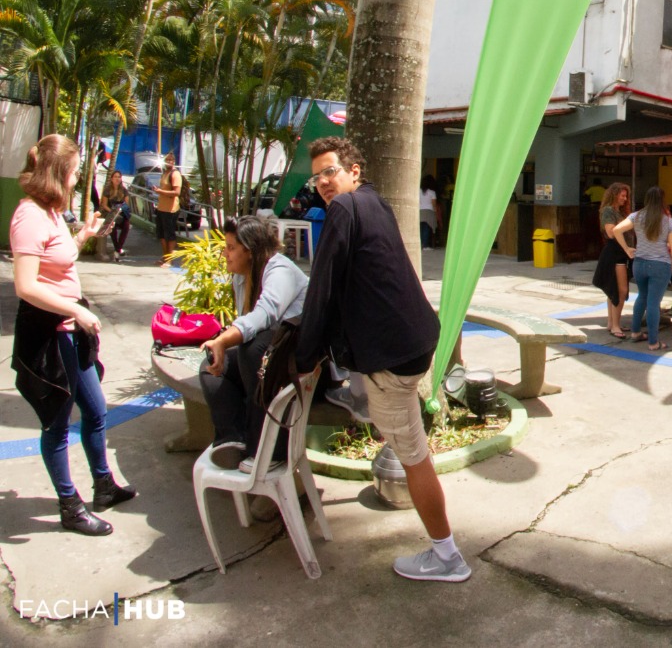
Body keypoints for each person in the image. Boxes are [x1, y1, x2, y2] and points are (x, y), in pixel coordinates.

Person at [293, 137, 466, 582]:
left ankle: (447, 557)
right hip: (415, 341)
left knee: (413, 456)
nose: (323, 183)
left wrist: (303, 356)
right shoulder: (373, 202)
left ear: (354, 170)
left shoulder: (345, 209)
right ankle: (360, 400)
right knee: (397, 433)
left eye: (330, 171)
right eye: (316, 177)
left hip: (392, 355)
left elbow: (322, 286)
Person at [10, 134, 136, 536]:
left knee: (96, 411)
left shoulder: (50, 213)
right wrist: (76, 309)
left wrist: (85, 235)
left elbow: (57, 261)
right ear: (60, 171)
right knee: (57, 425)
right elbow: (26, 286)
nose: (80, 176)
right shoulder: (28, 215)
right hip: (51, 333)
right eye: (77, 169)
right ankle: (70, 507)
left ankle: (103, 486)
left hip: (72, 330)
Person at [199, 216, 309, 480]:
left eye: (231, 247)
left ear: (250, 250)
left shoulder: (279, 269)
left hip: (302, 361)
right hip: (271, 360)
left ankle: (272, 453)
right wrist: (221, 345)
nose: (225, 253)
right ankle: (232, 439)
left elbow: (265, 315)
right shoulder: (242, 276)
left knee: (253, 350)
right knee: (212, 364)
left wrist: (225, 339)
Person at [613, 187, 672, 351]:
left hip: (639, 263)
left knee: (642, 297)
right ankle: (653, 342)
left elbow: (616, 230)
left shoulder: (636, 216)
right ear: (662, 200)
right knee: (653, 302)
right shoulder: (667, 220)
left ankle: (636, 333)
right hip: (660, 266)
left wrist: (627, 249)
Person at [593, 183, 633, 339]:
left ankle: (612, 323)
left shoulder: (618, 212)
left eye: (625, 196)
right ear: (614, 195)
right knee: (620, 291)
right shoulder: (609, 211)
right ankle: (616, 325)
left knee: (613, 290)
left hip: (618, 254)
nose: (624, 198)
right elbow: (611, 233)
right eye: (622, 195)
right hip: (615, 254)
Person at [154, 151, 185, 264]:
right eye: (167, 160)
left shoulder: (175, 174)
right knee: (161, 234)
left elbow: (177, 192)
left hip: (171, 209)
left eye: (170, 160)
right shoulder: (165, 173)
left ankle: (169, 260)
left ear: (174, 162)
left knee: (169, 234)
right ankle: (165, 256)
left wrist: (161, 191)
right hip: (161, 207)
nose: (168, 162)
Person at [100, 169, 132, 260]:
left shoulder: (124, 190)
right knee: (112, 228)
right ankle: (118, 249)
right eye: (115, 177)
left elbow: (127, 204)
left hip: (121, 213)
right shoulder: (107, 190)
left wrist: (120, 210)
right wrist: (112, 211)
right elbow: (104, 205)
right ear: (112, 179)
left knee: (126, 226)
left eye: (119, 177)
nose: (117, 179)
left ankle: (117, 249)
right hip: (110, 213)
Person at [419, 175, 440, 249]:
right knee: (427, 228)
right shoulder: (432, 192)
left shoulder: (418, 191)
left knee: (420, 229)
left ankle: (420, 244)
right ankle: (425, 245)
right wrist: (436, 214)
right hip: (429, 211)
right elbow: (434, 204)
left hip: (419, 211)